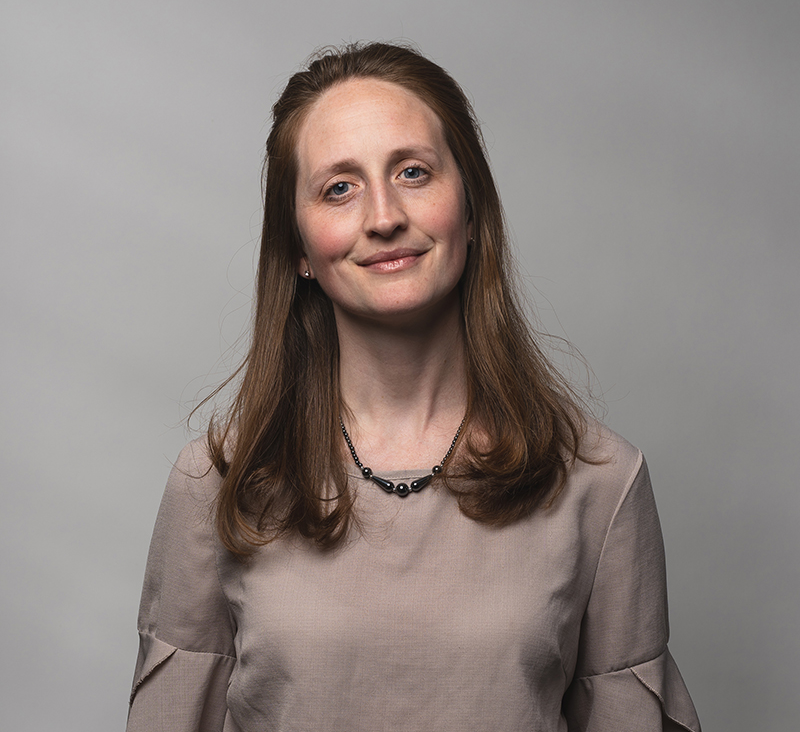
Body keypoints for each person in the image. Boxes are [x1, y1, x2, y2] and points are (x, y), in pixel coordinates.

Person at [127, 42, 701, 732]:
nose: (384, 216)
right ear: (299, 250)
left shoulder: (599, 484)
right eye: (339, 187)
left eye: (413, 171)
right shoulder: (218, 484)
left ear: (472, 208)